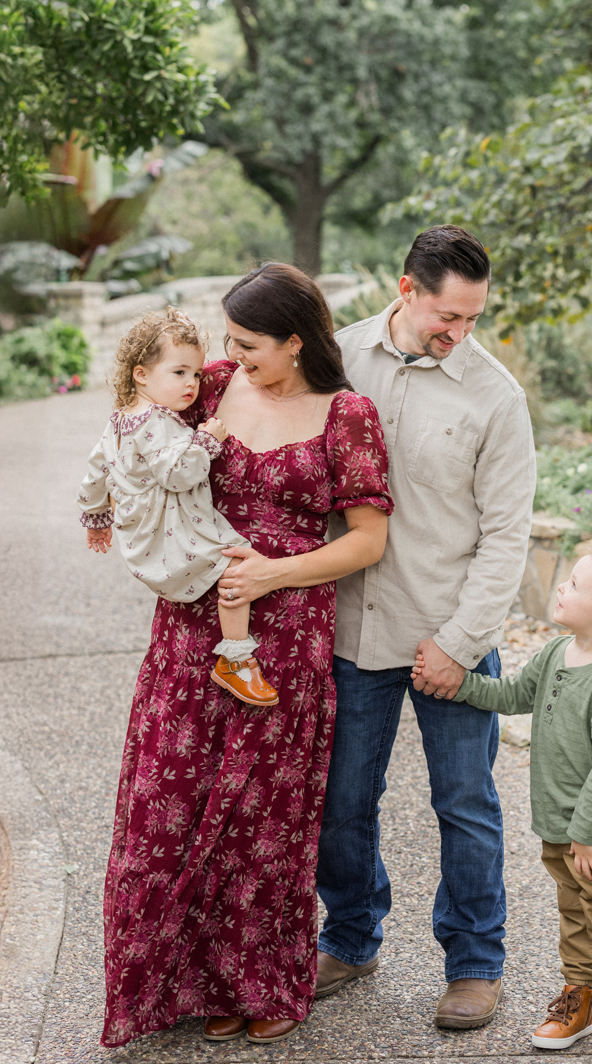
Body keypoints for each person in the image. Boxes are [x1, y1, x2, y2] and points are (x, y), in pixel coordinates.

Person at [94, 263, 393, 1048]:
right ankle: (188, 981)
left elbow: (368, 539)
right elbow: (132, 424)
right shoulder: (215, 384)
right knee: (173, 798)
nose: (232, 355)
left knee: (264, 812)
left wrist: (275, 572)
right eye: (229, 342)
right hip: (191, 626)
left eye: (251, 344)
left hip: (288, 633)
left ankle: (256, 978)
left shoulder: (347, 414)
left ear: (297, 342)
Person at [316, 225, 536, 1029]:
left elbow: (507, 536)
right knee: (341, 800)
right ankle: (348, 936)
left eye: (473, 318)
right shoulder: (335, 360)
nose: (460, 333)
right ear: (406, 289)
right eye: (448, 316)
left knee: (467, 802)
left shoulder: (495, 396)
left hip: (451, 633)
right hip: (349, 629)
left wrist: (459, 643)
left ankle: (476, 961)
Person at [413, 540, 592, 1060]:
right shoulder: (555, 653)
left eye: (574, 584)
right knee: (573, 917)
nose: (561, 587)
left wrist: (585, 834)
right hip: (561, 830)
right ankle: (579, 999)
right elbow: (514, 696)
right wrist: (458, 687)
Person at [78, 306, 278, 707]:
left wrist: (97, 518)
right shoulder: (161, 422)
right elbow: (178, 474)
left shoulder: (120, 420)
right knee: (238, 565)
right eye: (179, 372)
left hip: (142, 538)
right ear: (141, 374)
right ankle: (236, 659)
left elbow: (95, 470)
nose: (191, 384)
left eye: (196, 374)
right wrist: (207, 440)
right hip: (173, 532)